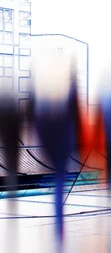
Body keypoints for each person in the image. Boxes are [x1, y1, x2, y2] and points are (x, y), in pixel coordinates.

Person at [31, 50, 81, 239]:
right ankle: (59, 223)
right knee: (60, 176)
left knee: (57, 173)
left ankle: (58, 221)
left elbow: (34, 111)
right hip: (63, 134)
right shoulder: (68, 85)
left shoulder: (43, 87)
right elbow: (75, 112)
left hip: (48, 134)